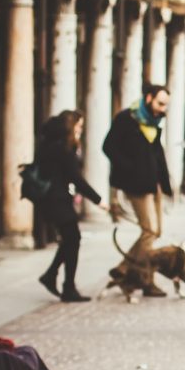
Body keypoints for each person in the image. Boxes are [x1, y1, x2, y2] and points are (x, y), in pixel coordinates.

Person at [103, 84, 171, 296]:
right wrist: (130, 169)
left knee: (155, 232)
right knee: (149, 231)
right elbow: (109, 147)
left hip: (153, 183)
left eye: (166, 105)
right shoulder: (127, 118)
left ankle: (124, 269)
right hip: (136, 185)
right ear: (148, 98)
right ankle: (144, 279)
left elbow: (157, 153)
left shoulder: (154, 123)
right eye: (160, 103)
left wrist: (165, 183)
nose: (163, 109)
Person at [36, 111, 109, 302]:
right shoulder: (63, 148)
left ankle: (53, 276)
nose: (80, 130)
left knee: (71, 239)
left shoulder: (49, 143)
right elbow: (76, 178)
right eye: (79, 126)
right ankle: (67, 286)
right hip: (58, 200)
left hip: (53, 199)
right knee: (72, 238)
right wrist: (98, 200)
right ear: (70, 126)